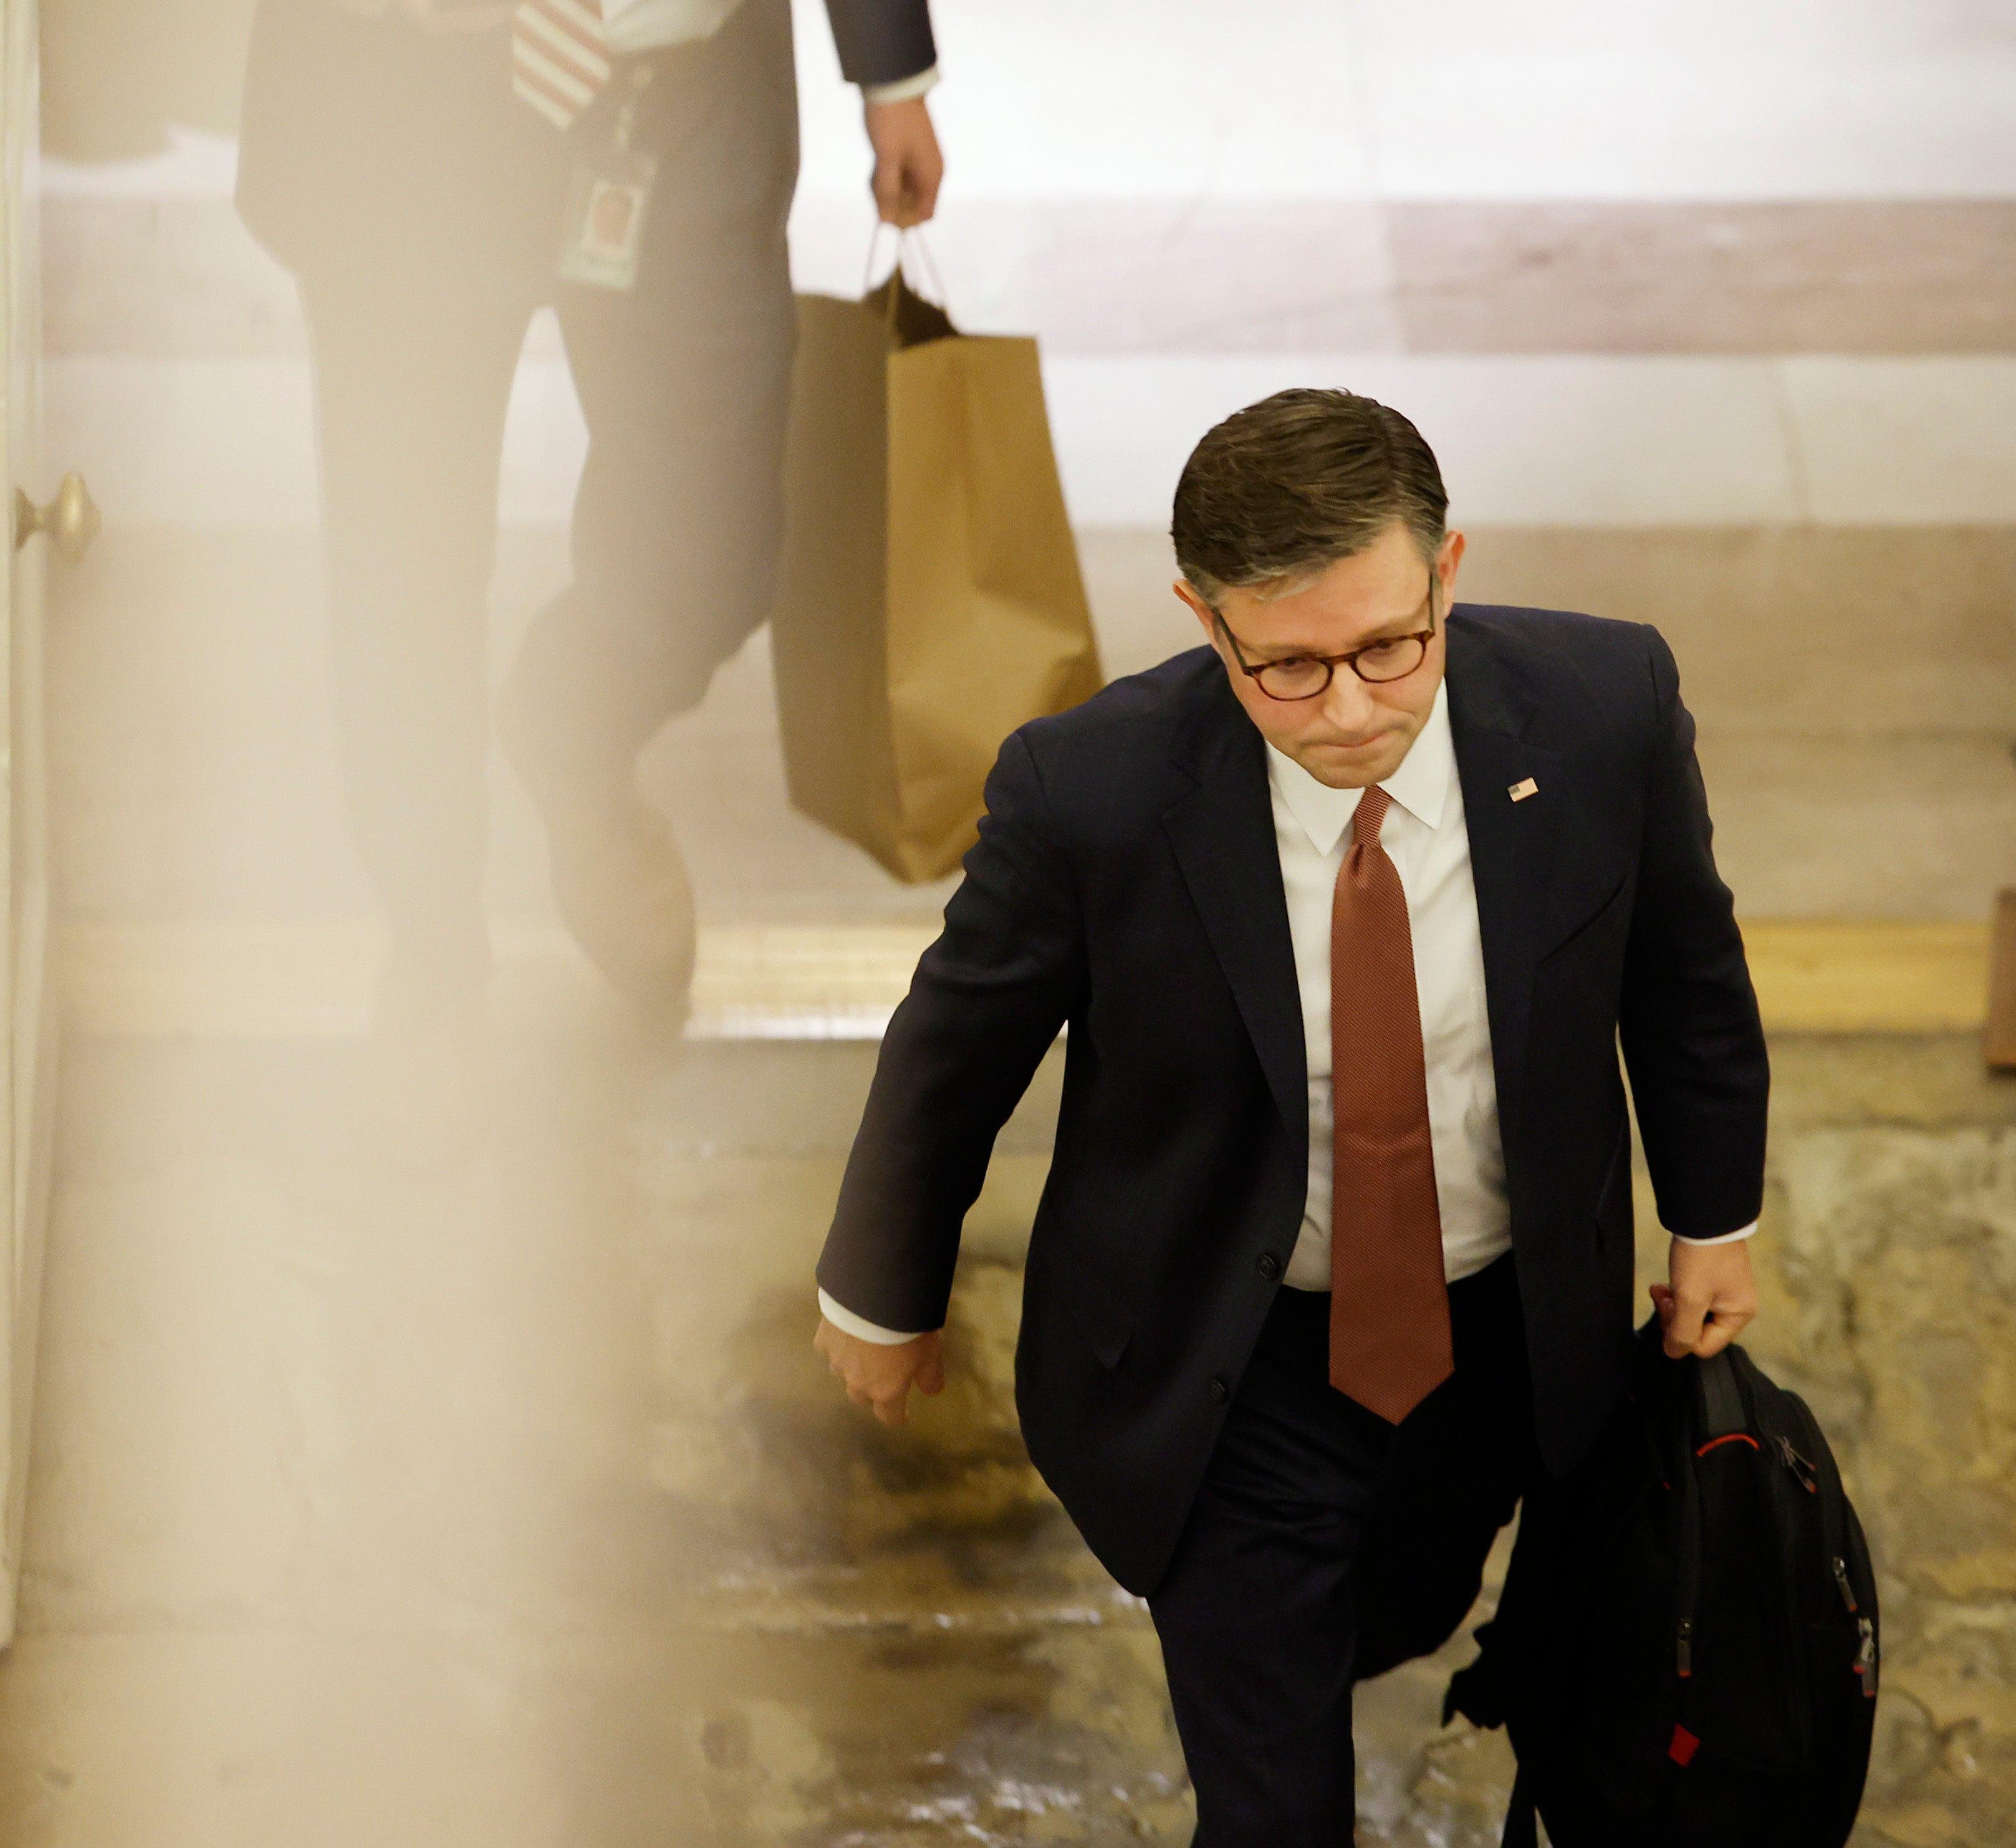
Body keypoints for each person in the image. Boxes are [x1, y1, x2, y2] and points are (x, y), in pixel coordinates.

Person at [811, 389, 1773, 1842]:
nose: (1351, 710)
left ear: (1449, 573)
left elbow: (1685, 972)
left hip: (1500, 1332)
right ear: (1207, 621)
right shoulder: (1091, 792)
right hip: (1223, 1351)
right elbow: (954, 1044)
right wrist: (883, 1290)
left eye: (1390, 647)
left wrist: (1712, 1221)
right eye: (1289, 669)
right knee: (1272, 1794)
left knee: (1406, 1604)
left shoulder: (1604, 711)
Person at [234, 0, 944, 1042]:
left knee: (715, 543)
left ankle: (573, 728)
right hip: (404, 104)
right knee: (405, 558)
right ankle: (432, 950)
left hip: (684, 91)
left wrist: (890, 74)